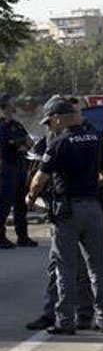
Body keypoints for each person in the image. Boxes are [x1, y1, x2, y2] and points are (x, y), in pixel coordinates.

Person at [26, 96, 103, 334]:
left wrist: (30, 197)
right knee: (97, 267)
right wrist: (90, 185)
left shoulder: (59, 143)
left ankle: (64, 321)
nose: (49, 127)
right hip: (94, 208)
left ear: (57, 118)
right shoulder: (96, 138)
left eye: (49, 122)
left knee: (65, 268)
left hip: (67, 211)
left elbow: (39, 179)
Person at [0, 93, 36, 248]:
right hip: (5, 167)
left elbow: (30, 142)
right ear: (5, 106)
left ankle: (23, 236)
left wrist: (17, 143)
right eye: (12, 103)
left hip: (20, 166)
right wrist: (17, 143)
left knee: (21, 203)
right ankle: (1, 237)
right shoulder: (1, 125)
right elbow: (6, 144)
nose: (14, 105)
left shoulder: (17, 125)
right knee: (4, 204)